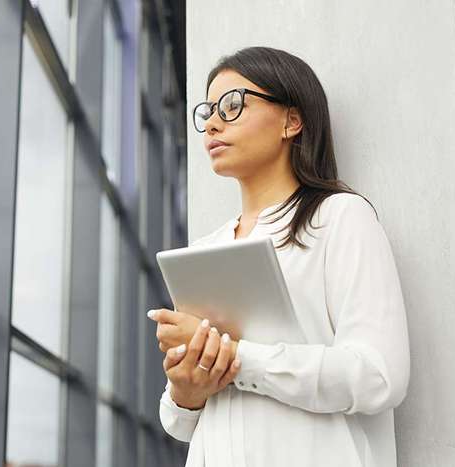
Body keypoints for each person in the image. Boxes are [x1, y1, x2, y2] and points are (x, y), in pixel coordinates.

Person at [146, 46, 410, 467]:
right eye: (208, 112)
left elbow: (380, 377)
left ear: (292, 119)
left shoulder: (340, 218)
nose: (212, 123)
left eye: (232, 105)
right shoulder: (205, 250)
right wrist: (186, 388)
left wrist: (236, 357)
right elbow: (177, 421)